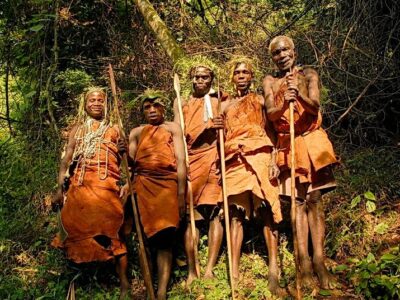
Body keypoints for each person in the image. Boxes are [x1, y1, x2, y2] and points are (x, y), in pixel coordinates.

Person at [263, 35, 338, 289]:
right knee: (296, 203)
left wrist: (300, 97)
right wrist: (285, 100)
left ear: (293, 51)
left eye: (285, 50)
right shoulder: (270, 81)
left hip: (310, 140)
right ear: (272, 57)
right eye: (276, 52)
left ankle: (319, 260)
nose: (282, 55)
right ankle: (303, 263)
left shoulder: (308, 74)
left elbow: (315, 106)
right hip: (288, 143)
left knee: (314, 200)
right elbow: (272, 114)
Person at [51, 87, 130, 298]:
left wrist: (125, 155)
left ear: (106, 104)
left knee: (113, 232)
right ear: (85, 105)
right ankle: (78, 280)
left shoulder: (115, 129)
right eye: (92, 100)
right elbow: (66, 161)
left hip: (106, 189)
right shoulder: (78, 130)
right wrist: (60, 189)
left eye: (100, 100)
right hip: (80, 188)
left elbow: (127, 165)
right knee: (72, 229)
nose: (96, 103)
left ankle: (124, 285)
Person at [220, 57, 283, 294]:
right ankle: (233, 275)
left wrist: (275, 159)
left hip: (260, 154)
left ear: (252, 76)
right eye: (238, 73)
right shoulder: (223, 106)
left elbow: (272, 130)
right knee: (235, 213)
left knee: (267, 208)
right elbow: (221, 136)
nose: (242, 76)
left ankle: (273, 270)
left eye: (246, 72)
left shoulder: (259, 100)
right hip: (234, 158)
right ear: (232, 77)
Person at [127, 91, 186, 300]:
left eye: (156, 106)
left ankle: (161, 292)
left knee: (165, 238)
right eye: (147, 107)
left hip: (167, 185)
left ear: (163, 108)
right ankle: (149, 288)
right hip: (143, 185)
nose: (152, 111)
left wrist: (181, 194)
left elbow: (180, 161)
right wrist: (122, 152)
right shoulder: (136, 132)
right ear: (142, 111)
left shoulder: (172, 128)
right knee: (145, 238)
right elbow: (130, 164)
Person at [173, 59, 225, 285]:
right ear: (191, 79)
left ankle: (210, 268)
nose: (200, 80)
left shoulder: (219, 100)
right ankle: (192, 270)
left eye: (205, 77)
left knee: (215, 213)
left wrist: (221, 125)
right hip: (191, 161)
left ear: (211, 79)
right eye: (196, 76)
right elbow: (177, 133)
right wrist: (180, 165)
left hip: (214, 158)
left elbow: (230, 125)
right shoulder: (181, 103)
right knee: (190, 216)